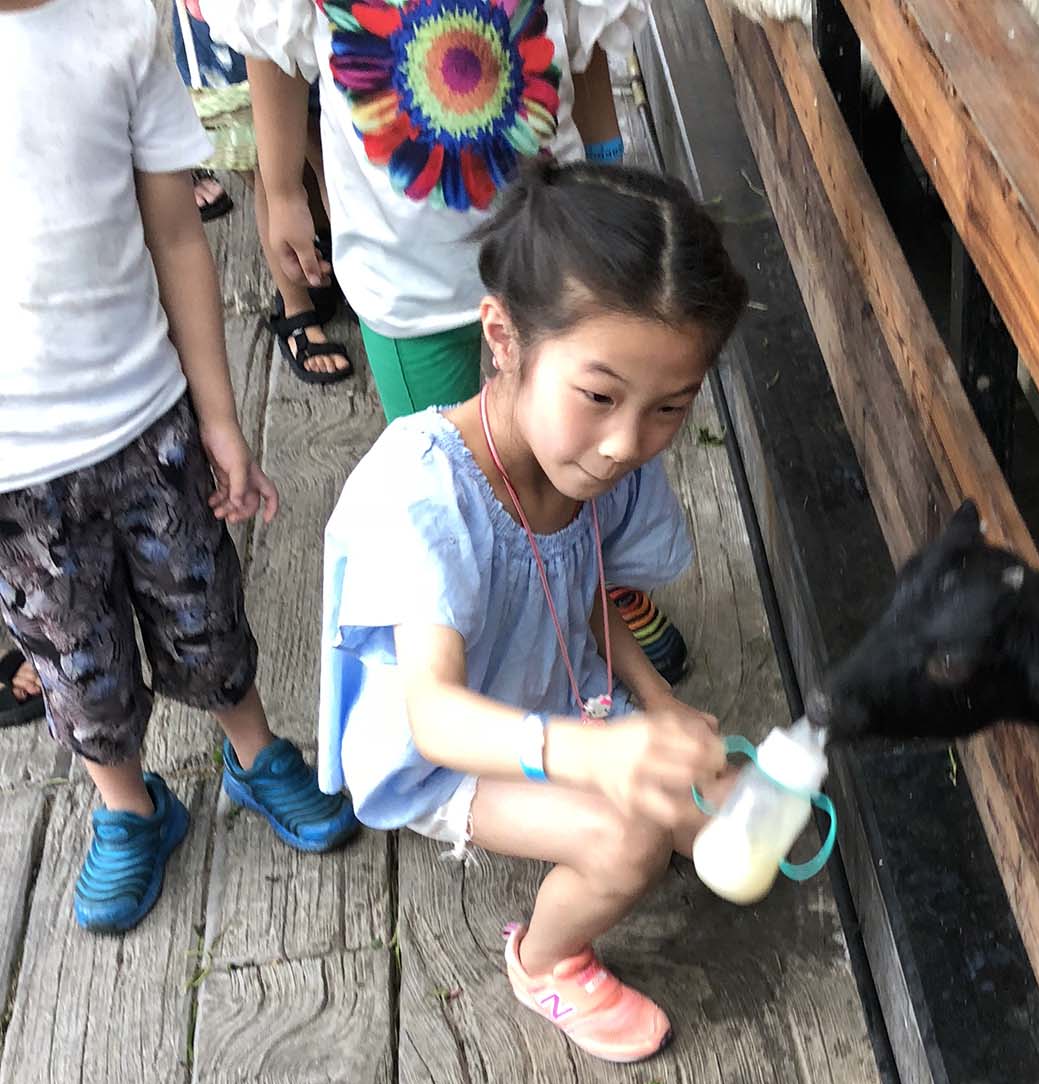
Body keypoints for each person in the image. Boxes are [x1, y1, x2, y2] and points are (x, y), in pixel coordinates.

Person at [321, 161, 747, 1064]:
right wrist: (596, 753)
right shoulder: (425, 492)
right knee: (629, 843)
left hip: (563, 702)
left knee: (717, 806)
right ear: (504, 337)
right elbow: (435, 717)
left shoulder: (593, 460)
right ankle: (546, 960)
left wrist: (658, 704)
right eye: (599, 396)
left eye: (670, 407)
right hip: (450, 758)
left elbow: (582, 591)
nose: (625, 443)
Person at [203, 0, 695, 683]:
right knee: (452, 481)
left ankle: (591, 585)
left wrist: (611, 164)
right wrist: (283, 187)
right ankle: (486, 622)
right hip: (405, 277)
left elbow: (581, 42)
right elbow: (275, 51)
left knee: (586, 435)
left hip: (557, 253)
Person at [0, 0, 359, 935]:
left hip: (145, 415)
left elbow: (175, 233)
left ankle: (255, 753)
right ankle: (129, 809)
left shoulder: (120, 25)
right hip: (13, 475)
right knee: (75, 663)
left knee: (203, 611)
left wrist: (221, 420)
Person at [172, 0, 356, 385]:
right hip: (237, 24)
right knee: (267, 160)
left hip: (319, 22)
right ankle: (295, 307)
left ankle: (333, 262)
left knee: (322, 138)